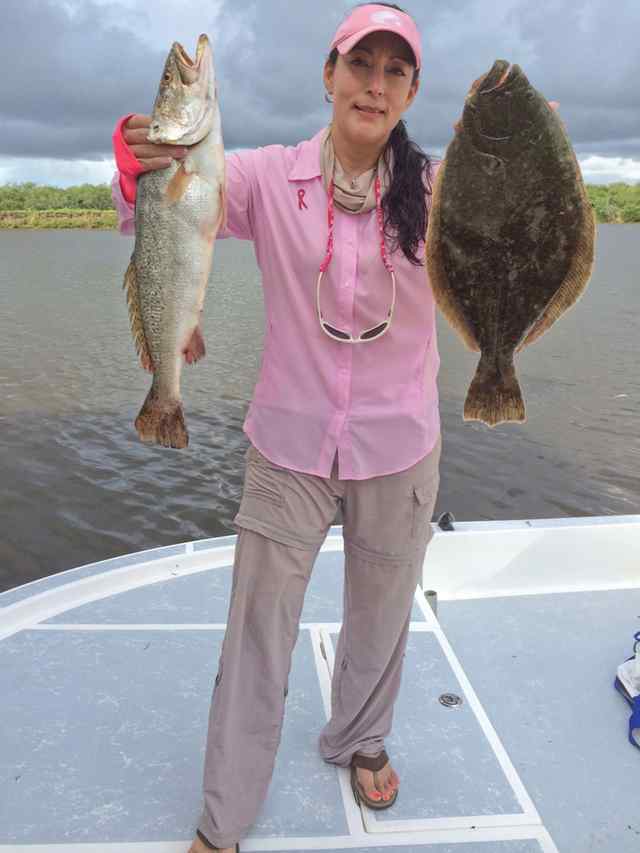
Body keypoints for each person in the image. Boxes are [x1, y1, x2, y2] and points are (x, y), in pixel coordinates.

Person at [111, 4, 535, 851]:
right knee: (257, 628)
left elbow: (514, 229)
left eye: (394, 71)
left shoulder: (439, 187)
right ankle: (225, 814)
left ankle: (360, 736)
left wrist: (522, 159)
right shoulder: (268, 175)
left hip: (400, 440)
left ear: (412, 91)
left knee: (382, 611)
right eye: (360, 65)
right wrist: (135, 167)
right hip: (289, 441)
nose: (374, 85)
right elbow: (175, 209)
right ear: (329, 76)